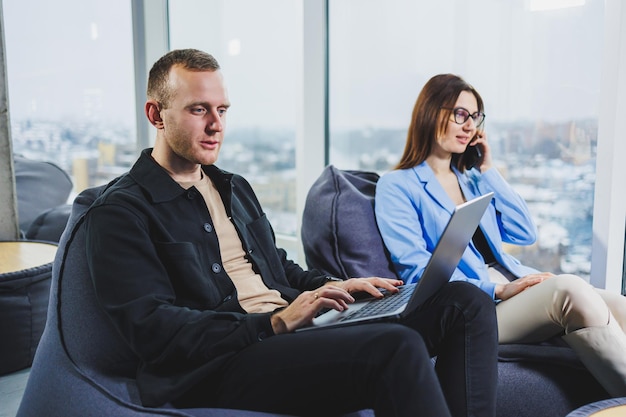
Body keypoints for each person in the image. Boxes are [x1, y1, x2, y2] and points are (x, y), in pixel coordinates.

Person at [83, 50, 498, 417]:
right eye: (198, 110)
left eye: (222, 110)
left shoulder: (232, 187)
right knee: (396, 348)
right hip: (222, 363)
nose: (215, 125)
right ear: (156, 114)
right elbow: (152, 329)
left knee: (465, 302)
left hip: (288, 334)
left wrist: (337, 287)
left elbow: (278, 268)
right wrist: (276, 323)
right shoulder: (120, 212)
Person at [374, 73, 626, 398]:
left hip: (517, 285)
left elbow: (524, 231)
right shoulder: (397, 186)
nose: (469, 126)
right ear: (431, 113)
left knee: (618, 304)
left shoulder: (471, 179)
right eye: (460, 114)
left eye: (476, 117)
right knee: (571, 289)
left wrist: (488, 170)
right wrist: (500, 289)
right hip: (480, 305)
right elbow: (419, 275)